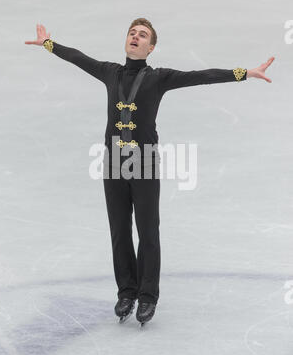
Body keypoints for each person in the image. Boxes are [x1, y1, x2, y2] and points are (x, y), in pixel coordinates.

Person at [25, 19, 274, 326]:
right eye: (132, 32)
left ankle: (147, 296)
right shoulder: (110, 72)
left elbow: (202, 76)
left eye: (142, 35)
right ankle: (126, 292)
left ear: (151, 47)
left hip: (144, 163)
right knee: (119, 231)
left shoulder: (159, 78)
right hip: (114, 162)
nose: (135, 36)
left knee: (147, 231)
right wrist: (50, 45)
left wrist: (245, 74)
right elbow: (79, 58)